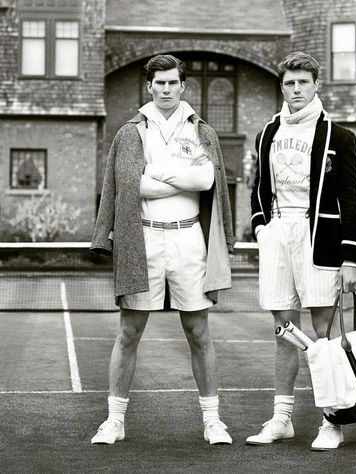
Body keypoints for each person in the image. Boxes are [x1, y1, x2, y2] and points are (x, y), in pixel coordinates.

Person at [90, 54, 236, 445]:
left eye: (173, 83)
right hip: (143, 239)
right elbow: (129, 186)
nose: (167, 89)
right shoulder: (129, 133)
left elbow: (208, 181)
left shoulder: (202, 132)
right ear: (150, 86)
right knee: (129, 331)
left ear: (183, 86)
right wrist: (181, 179)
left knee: (199, 332)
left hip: (190, 240)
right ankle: (114, 420)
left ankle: (213, 421)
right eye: (160, 83)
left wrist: (157, 173)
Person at [246, 52, 356, 450]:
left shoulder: (338, 137)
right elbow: (258, 186)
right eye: (289, 83)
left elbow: (350, 198)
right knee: (283, 331)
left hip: (321, 240)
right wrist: (261, 226)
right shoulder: (268, 133)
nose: (296, 90)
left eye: (303, 83)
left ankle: (332, 420)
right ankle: (282, 418)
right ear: (282, 86)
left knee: (322, 333)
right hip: (279, 233)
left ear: (316, 86)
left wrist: (351, 258)